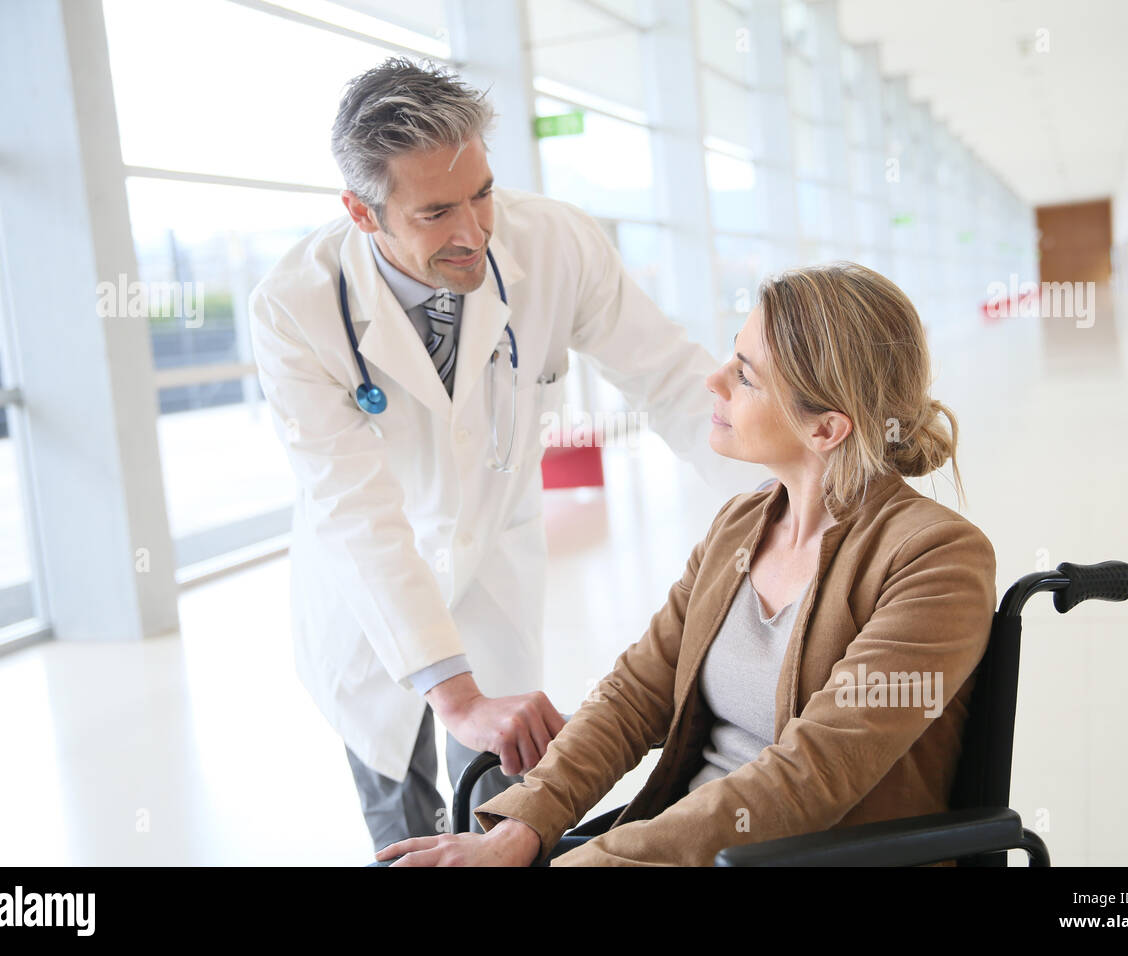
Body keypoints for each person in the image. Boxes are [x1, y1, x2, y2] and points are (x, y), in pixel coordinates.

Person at [248, 57, 767, 855]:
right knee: (401, 811)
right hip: (369, 594)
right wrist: (450, 692)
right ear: (362, 211)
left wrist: (792, 499)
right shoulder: (296, 307)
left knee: (500, 806)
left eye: (482, 193)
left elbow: (668, 379)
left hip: (492, 565)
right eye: (435, 213)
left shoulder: (555, 242)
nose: (474, 233)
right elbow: (357, 509)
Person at [374, 261, 998, 866]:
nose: (714, 380)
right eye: (732, 353)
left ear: (827, 428)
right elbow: (635, 694)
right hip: (679, 845)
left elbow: (808, 781)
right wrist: (522, 827)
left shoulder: (935, 560)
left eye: (746, 376)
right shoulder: (741, 525)